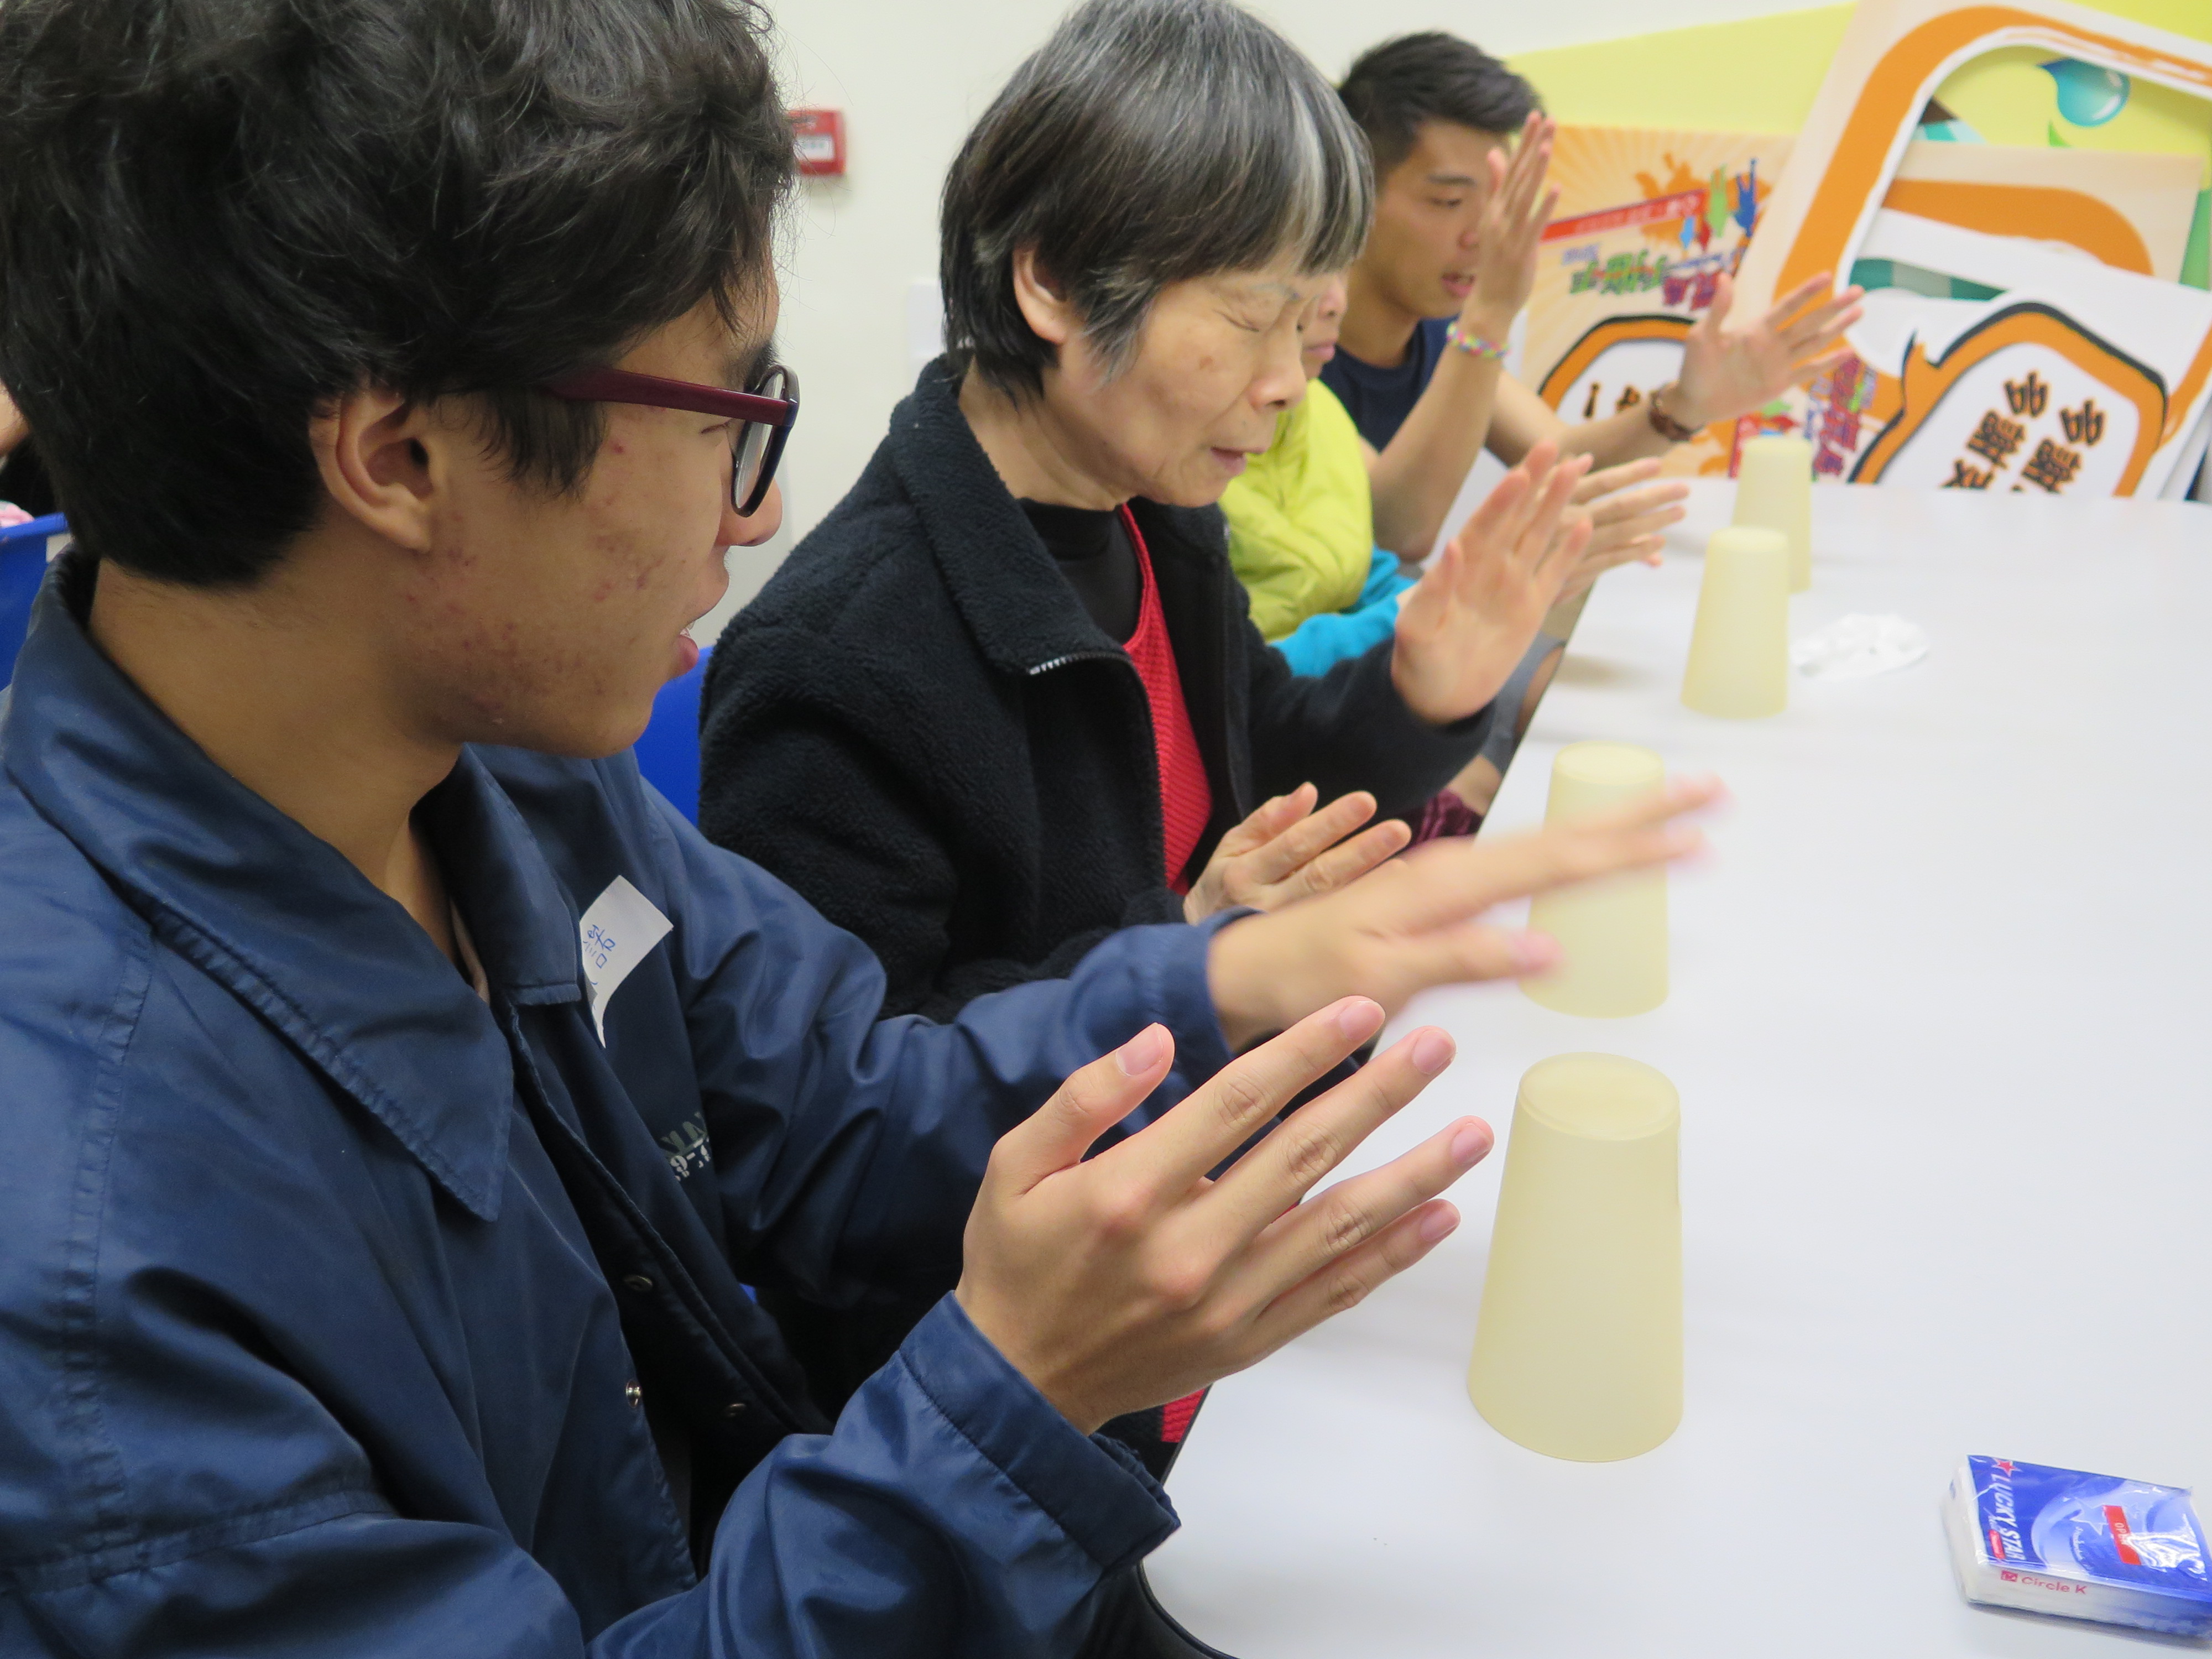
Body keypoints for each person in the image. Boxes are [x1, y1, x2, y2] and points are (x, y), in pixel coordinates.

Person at [0, 0, 1718, 1653]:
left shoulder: (504, 774)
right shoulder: (89, 1252)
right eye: (729, 416)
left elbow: (838, 1099)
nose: (750, 524)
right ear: (402, 457)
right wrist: (1014, 1400)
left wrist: (1215, 988)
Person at [1326, 34, 1865, 493]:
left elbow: (1560, 459)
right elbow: (1395, 528)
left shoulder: (1440, 335)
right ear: (1354, 191)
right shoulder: (1299, 352)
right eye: (1448, 202)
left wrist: (1686, 405)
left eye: (1499, 200)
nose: (1484, 234)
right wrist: (1490, 314)